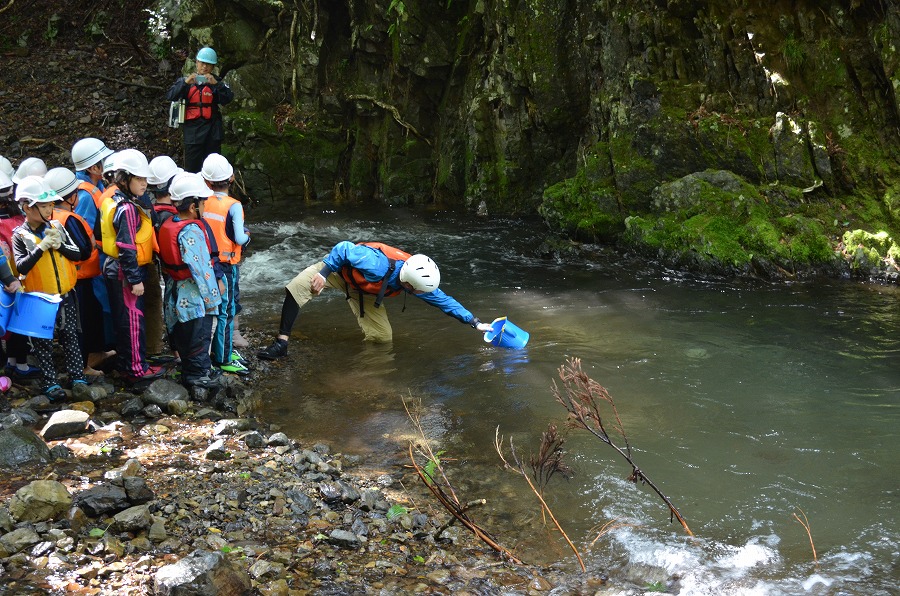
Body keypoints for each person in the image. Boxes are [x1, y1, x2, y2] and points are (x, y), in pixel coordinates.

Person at [257, 241, 494, 359]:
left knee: (383, 339)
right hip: (338, 272)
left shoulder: (416, 279)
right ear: (409, 284)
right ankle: (282, 343)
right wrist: (323, 272)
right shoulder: (376, 264)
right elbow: (344, 248)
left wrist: (475, 322)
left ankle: (367, 371)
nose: (422, 294)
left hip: (368, 292)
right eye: (419, 291)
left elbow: (444, 301)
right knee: (296, 287)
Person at [11, 176, 89, 402]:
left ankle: (77, 376)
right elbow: (21, 266)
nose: (48, 210)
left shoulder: (57, 226)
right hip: (38, 298)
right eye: (43, 205)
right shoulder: (20, 235)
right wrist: (41, 248)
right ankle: (50, 382)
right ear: (27, 206)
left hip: (65, 294)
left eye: (50, 205)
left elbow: (78, 254)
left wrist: (59, 245)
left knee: (71, 336)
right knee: (42, 342)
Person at [98, 149, 163, 382]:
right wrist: (135, 279)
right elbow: (126, 246)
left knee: (124, 319)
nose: (144, 183)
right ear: (125, 179)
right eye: (139, 178)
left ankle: (128, 363)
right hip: (125, 272)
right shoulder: (125, 208)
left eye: (145, 178)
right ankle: (136, 369)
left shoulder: (116, 201)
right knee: (133, 320)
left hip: (114, 268)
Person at [158, 174, 223, 388]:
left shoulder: (170, 223)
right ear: (193, 205)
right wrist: (213, 297)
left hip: (175, 289)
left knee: (183, 331)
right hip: (192, 293)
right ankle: (198, 373)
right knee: (198, 331)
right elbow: (202, 268)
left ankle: (189, 369)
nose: (205, 205)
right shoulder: (192, 230)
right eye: (203, 202)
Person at [44, 167, 110, 378]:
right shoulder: (69, 219)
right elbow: (81, 251)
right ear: (71, 197)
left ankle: (92, 355)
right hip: (79, 279)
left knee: (80, 322)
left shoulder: (51, 215)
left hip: (67, 279)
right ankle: (83, 366)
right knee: (81, 323)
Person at [200, 153, 250, 375]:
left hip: (207, 263)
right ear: (231, 178)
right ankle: (224, 357)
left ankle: (214, 351)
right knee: (226, 311)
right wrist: (248, 236)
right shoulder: (234, 205)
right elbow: (239, 238)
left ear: (207, 181)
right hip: (227, 266)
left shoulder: (202, 201)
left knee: (211, 309)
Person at [71, 138, 117, 366]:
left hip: (95, 265)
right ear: (92, 167)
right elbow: (83, 232)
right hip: (89, 268)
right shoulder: (85, 195)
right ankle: (90, 356)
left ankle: (100, 349)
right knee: (93, 310)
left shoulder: (95, 187)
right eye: (102, 161)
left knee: (98, 309)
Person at [165, 47, 234, 173]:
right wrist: (186, 83)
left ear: (213, 67)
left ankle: (213, 191)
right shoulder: (185, 81)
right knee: (192, 169)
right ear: (196, 63)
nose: (205, 67)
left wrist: (217, 85)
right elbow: (171, 96)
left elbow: (228, 98)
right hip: (192, 131)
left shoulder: (216, 82)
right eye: (202, 63)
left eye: (208, 64)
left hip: (212, 131)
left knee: (214, 167)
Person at [0, 169, 41, 379]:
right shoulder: (13, 220)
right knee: (17, 320)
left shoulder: (12, 220)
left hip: (12, 276)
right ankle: (20, 365)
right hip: (14, 277)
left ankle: (12, 362)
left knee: (9, 320)